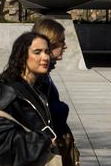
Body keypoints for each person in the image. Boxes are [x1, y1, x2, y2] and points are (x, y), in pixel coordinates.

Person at [0, 32, 61, 166]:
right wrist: (44, 140)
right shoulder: (10, 94)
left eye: (47, 52)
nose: (45, 57)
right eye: (37, 52)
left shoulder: (37, 88)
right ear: (22, 56)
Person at [32, 19, 79, 166]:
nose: (65, 46)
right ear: (50, 44)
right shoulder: (36, 78)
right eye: (61, 42)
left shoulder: (44, 74)